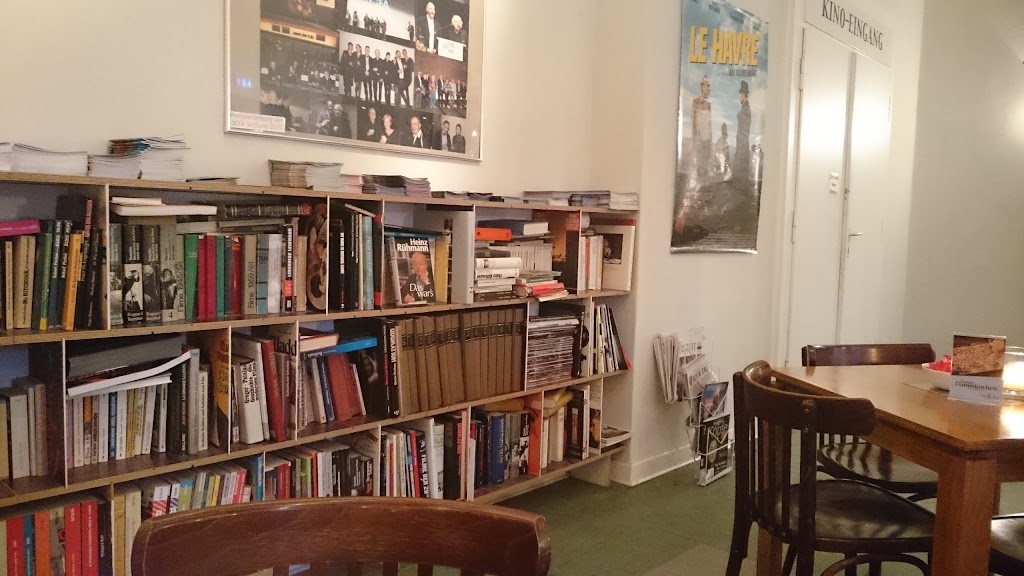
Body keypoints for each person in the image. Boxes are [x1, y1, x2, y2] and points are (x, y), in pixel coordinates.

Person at [690, 76, 713, 178]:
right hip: (699, 141)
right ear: (702, 86)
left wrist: (711, 144)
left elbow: (709, 125)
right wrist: (694, 140)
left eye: (709, 86)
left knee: (705, 169)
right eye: (708, 86)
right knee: (698, 168)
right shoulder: (695, 102)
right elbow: (693, 122)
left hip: (707, 142)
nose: (709, 89)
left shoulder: (709, 105)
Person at [735, 80, 752, 181]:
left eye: (740, 94)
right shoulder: (744, 108)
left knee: (741, 172)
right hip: (741, 142)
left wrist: (741, 147)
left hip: (742, 143)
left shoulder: (746, 109)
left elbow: (745, 130)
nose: (739, 97)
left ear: (743, 95)